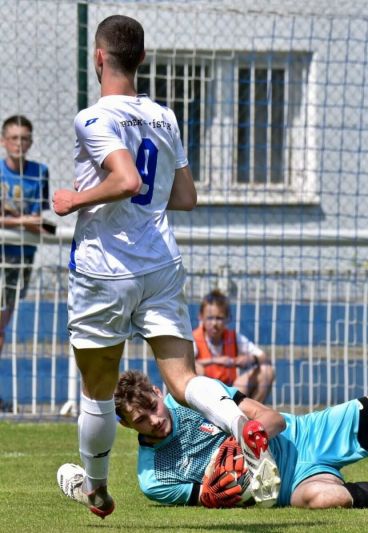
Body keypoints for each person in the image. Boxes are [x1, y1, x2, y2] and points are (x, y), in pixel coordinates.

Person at [51, 15, 272, 519]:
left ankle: (98, 492)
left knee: (98, 392)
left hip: (106, 269)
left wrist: (75, 199)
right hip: (161, 263)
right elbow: (186, 197)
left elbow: (126, 179)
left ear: (99, 58)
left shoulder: (92, 118)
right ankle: (241, 426)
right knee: (181, 379)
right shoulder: (164, 117)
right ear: (143, 60)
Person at [60, 346, 368, 510]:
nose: (153, 415)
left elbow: (270, 417)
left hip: (309, 434)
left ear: (154, 390)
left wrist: (253, 433)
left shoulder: (191, 395)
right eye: (139, 418)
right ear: (124, 426)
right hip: (288, 488)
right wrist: (221, 488)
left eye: (150, 403)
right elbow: (212, 498)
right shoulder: (153, 479)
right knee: (332, 501)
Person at [0, 115, 50, 356]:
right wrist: (23, 219)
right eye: (13, 138)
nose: (19, 144)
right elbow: (31, 220)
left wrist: (10, 215)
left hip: (20, 257)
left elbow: (40, 221)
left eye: (24, 139)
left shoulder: (39, 172)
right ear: (3, 141)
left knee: (1, 324)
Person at [194, 289, 275, 403]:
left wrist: (251, 358)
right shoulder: (194, 338)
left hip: (230, 391)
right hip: (206, 394)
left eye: (219, 318)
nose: (214, 324)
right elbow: (184, 367)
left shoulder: (233, 337)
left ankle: (251, 417)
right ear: (201, 317)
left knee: (266, 370)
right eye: (210, 318)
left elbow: (263, 356)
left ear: (227, 318)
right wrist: (215, 360)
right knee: (197, 369)